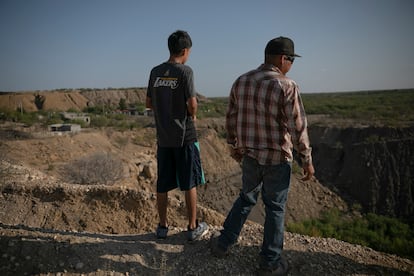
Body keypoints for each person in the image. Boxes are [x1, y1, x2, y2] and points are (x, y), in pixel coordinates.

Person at [210, 36, 315, 275]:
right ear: (281, 59)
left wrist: (233, 145)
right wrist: (306, 160)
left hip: (250, 156)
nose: (291, 65)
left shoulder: (242, 81)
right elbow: (298, 127)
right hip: (277, 159)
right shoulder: (287, 85)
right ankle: (269, 264)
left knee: (246, 198)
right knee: (275, 209)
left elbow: (231, 118)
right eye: (291, 60)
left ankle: (223, 244)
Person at [146, 30, 208, 242]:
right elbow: (192, 103)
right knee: (189, 181)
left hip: (163, 137)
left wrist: (164, 110)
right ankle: (192, 227)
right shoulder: (185, 71)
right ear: (184, 51)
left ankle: (162, 227)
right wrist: (194, 114)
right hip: (184, 136)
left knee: (162, 184)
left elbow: (148, 103)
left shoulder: (155, 71)